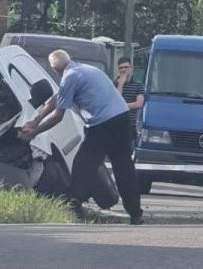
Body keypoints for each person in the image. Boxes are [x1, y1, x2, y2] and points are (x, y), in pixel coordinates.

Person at [18, 49, 144, 225]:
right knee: (124, 167)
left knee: (84, 164)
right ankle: (135, 213)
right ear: (70, 59)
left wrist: (34, 133)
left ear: (55, 69)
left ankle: (73, 204)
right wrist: (35, 121)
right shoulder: (85, 69)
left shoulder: (69, 77)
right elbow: (55, 99)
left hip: (102, 123)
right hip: (122, 117)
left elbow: (57, 116)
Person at [115, 56, 144, 148]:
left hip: (130, 123)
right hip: (116, 122)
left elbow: (139, 103)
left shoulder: (138, 85)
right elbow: (116, 101)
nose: (123, 70)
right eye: (121, 68)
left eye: (126, 67)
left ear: (131, 68)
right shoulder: (114, 83)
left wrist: (122, 106)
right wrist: (120, 85)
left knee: (127, 150)